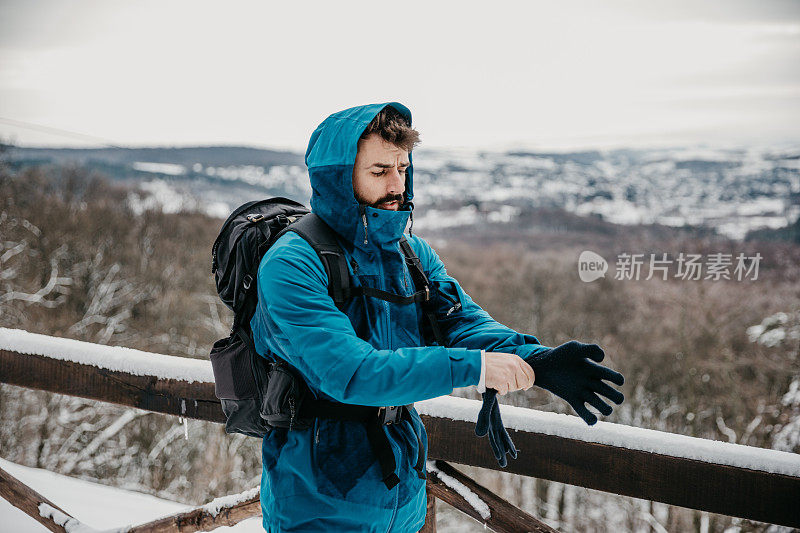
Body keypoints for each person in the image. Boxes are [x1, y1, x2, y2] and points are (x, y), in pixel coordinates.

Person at [249, 102, 622, 532]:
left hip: (403, 494)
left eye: (402, 168)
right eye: (378, 172)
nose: (396, 184)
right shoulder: (293, 263)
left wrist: (535, 361)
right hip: (318, 503)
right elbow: (350, 372)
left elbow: (464, 325)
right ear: (338, 178)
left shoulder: (411, 254)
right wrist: (476, 368)